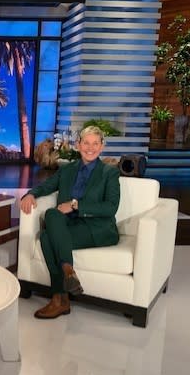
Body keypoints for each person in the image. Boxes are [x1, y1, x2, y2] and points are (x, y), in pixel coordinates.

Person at [20, 126, 120, 319]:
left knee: (47, 237)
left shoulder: (109, 173)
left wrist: (75, 205)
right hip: (68, 225)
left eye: (95, 144)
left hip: (97, 228)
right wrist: (30, 194)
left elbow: (110, 208)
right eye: (86, 143)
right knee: (52, 214)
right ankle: (68, 273)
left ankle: (60, 298)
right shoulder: (67, 169)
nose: (90, 148)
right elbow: (47, 185)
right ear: (78, 145)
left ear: (102, 147)